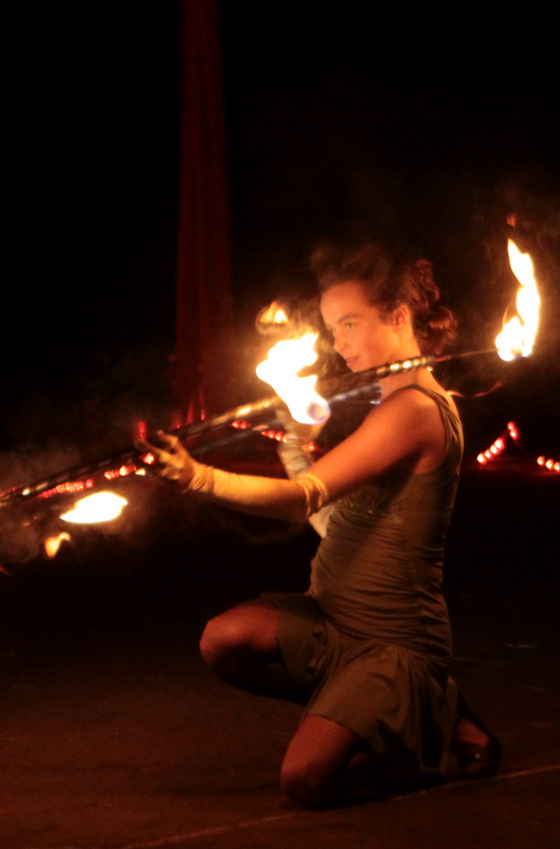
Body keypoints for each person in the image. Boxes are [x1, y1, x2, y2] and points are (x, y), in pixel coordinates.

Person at [147, 245, 498, 807]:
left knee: (305, 782)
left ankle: (426, 720)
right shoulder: (388, 405)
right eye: (334, 328)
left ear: (399, 317)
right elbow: (337, 522)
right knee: (223, 640)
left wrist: (197, 478)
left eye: (350, 324)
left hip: (390, 642)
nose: (339, 343)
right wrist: (294, 445)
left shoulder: (414, 410)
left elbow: (300, 501)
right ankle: (386, 711)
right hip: (331, 620)